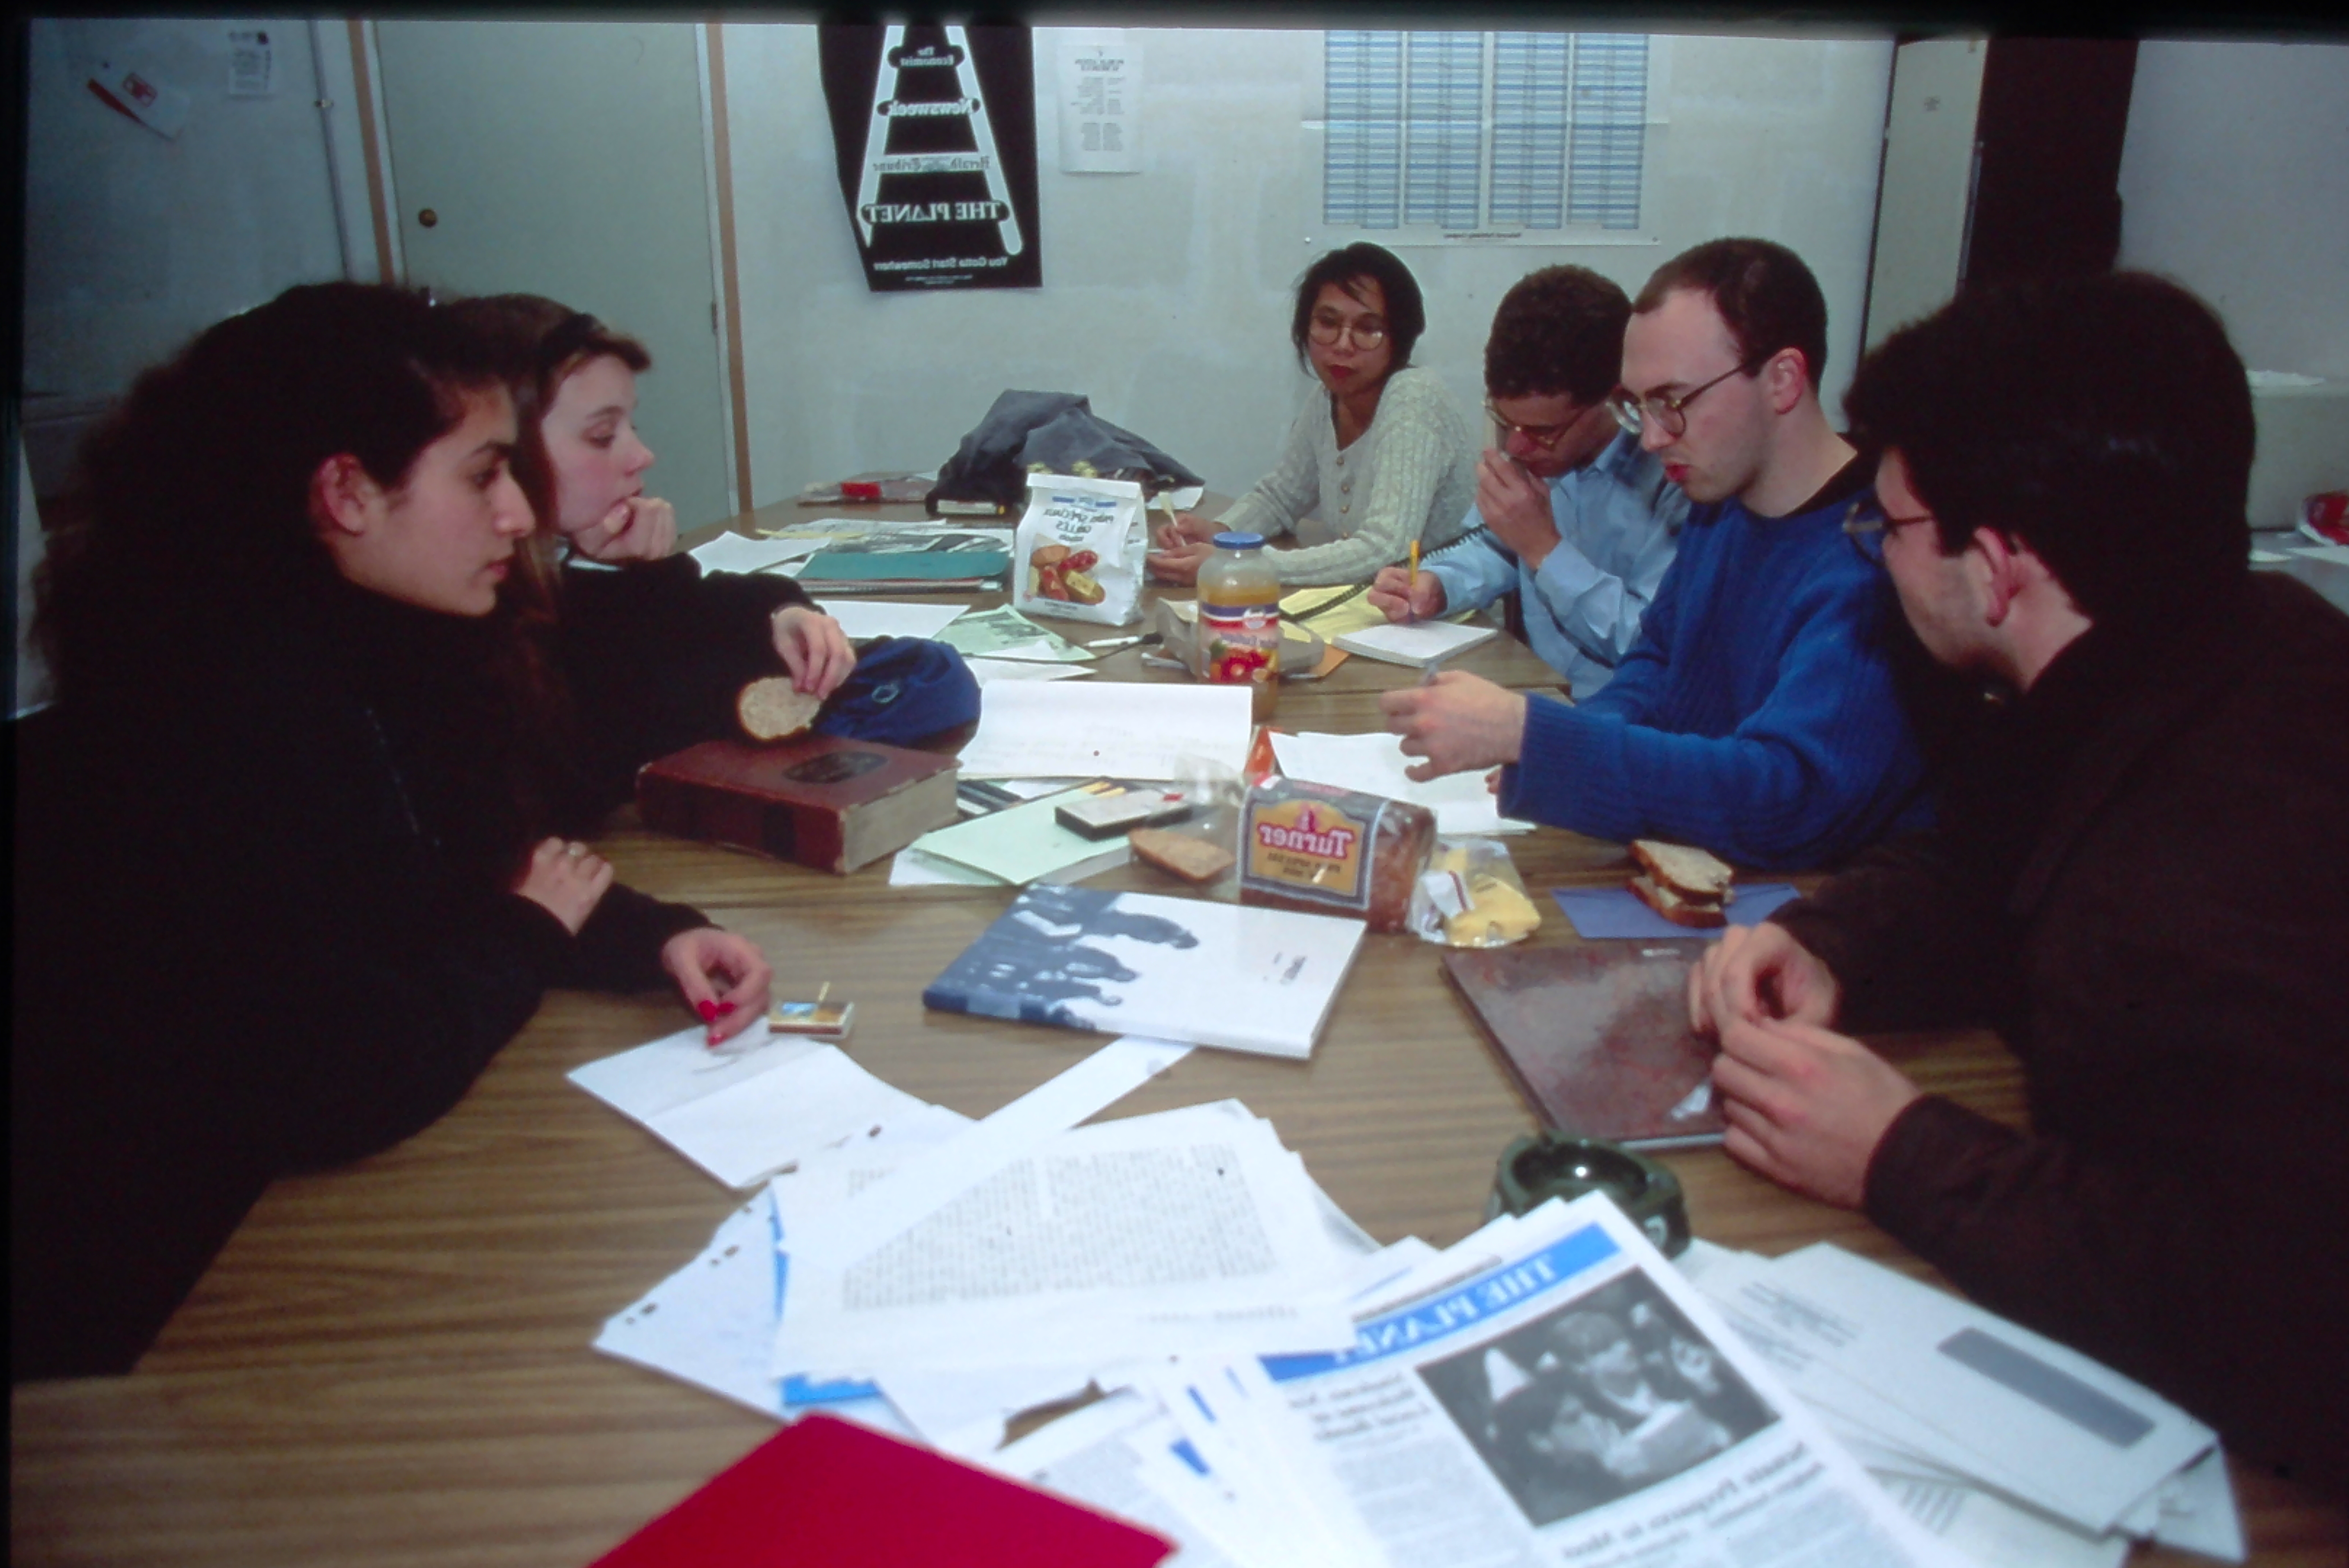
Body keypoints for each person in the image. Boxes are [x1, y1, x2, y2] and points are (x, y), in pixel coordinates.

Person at [10, 283, 774, 1381]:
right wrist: (526, 937)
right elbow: (345, 1076)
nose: (518, 516)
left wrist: (647, 935)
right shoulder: (221, 719)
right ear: (347, 491)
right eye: (481, 476)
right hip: (178, 1319)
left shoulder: (360, 635)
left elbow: (470, 863)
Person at [1685, 272, 2349, 1488]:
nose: (1876, 559)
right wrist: (1834, 937)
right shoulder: (2196, 647)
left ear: (1992, 569)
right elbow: (1994, 858)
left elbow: (2279, 1312)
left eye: (1883, 527)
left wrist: (1891, 1146)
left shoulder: (2228, 852)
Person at [1380, 238, 1939, 869]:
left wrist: (1538, 737)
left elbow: (1785, 797)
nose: (1649, 437)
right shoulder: (1721, 506)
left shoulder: (1878, 559)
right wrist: (1551, 745)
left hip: (1812, 912)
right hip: (1703, 862)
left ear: (1783, 380)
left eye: (1671, 404)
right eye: (1638, 406)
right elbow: (1655, 668)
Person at [447, 295, 972, 819]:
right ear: (506, 454)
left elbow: (703, 614)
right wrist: (622, 580)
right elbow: (620, 739)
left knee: (926, 675)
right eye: (602, 436)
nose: (641, 456)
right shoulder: (473, 609)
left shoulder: (579, 561)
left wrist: (783, 613)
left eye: (632, 428)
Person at [1366, 264, 1687, 699]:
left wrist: (1544, 549)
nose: (1517, 447)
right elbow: (1497, 547)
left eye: (1542, 432)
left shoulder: (1675, 479)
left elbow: (1652, 644)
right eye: (1504, 421)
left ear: (1613, 399)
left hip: (1629, 724)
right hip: (1535, 698)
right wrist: (1439, 586)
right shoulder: (1541, 455)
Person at [1147, 243, 1476, 588]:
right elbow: (1281, 498)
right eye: (1328, 323)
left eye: (1368, 328)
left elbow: (1385, 548)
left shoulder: (1415, 398)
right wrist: (1221, 533)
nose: (1343, 344)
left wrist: (1243, 565)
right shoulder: (1329, 397)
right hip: (1375, 605)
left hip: (1447, 620)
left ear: (1400, 338)